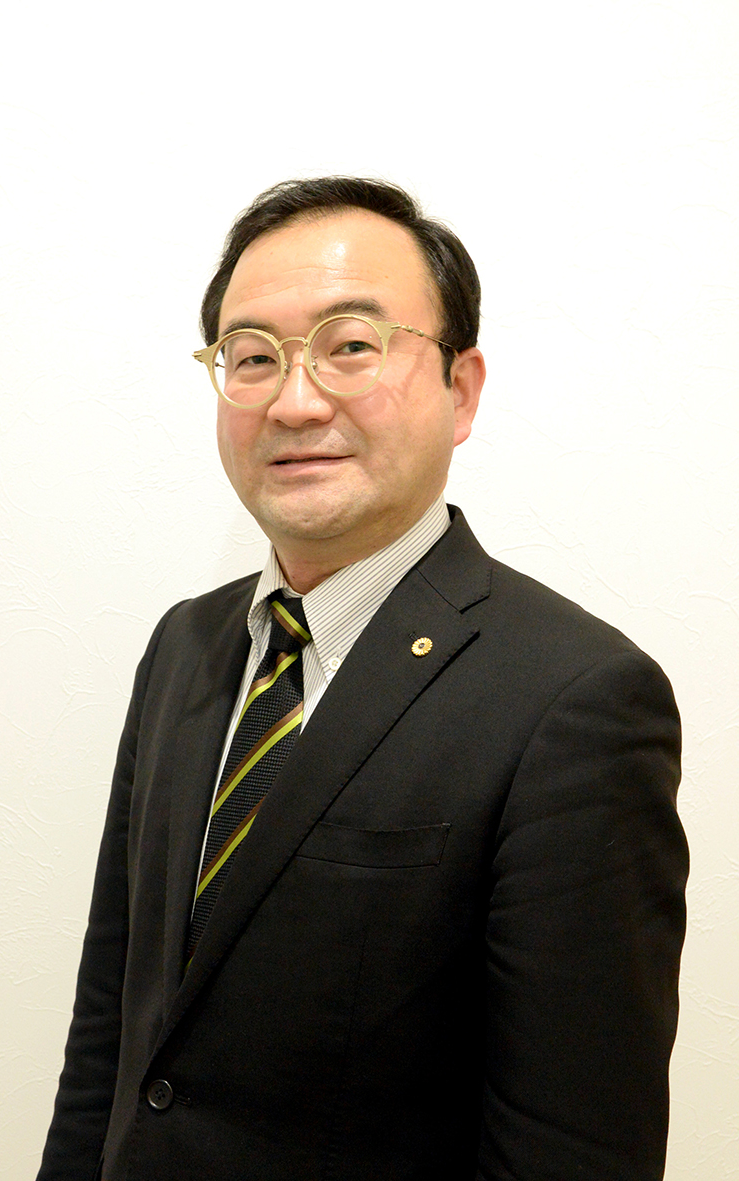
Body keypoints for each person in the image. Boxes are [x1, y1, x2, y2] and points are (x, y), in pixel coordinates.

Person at [37, 177, 688, 1181]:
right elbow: (110, 1026)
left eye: (350, 345)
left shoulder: (578, 699)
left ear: (460, 389)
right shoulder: (185, 644)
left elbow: (574, 1144)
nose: (295, 401)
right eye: (253, 356)